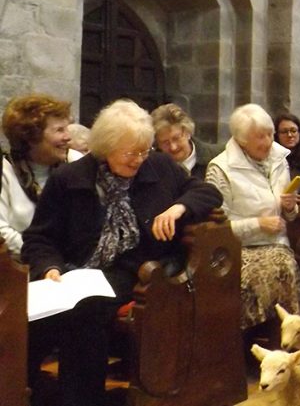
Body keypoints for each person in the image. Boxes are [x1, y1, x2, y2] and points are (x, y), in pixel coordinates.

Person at [21, 99, 222, 406]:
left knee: (85, 311)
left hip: (137, 269)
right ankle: (23, 391)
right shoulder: (69, 179)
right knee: (28, 315)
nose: (139, 160)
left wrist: (178, 207)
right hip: (71, 272)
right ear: (105, 146)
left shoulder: (160, 167)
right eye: (130, 152)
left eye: (143, 150)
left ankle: (81, 400)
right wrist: (50, 268)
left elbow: (207, 192)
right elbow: (39, 238)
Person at [206, 104, 300, 330]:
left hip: (278, 244)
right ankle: (247, 338)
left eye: (270, 134)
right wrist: (258, 224)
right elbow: (216, 229)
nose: (268, 141)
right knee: (261, 274)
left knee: (283, 264)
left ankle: (288, 336)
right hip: (237, 250)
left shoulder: (279, 159)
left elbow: (289, 215)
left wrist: (290, 207)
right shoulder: (220, 169)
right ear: (241, 141)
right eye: (260, 137)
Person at [0, 94, 82, 261]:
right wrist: (42, 257)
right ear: (31, 137)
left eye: (67, 128)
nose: (68, 137)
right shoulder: (5, 171)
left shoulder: (76, 163)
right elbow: (1, 231)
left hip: (74, 265)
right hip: (21, 270)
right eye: (60, 130)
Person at [151, 103, 223, 179]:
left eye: (176, 138)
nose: (173, 147)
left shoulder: (217, 158)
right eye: (165, 143)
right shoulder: (152, 168)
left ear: (188, 132)